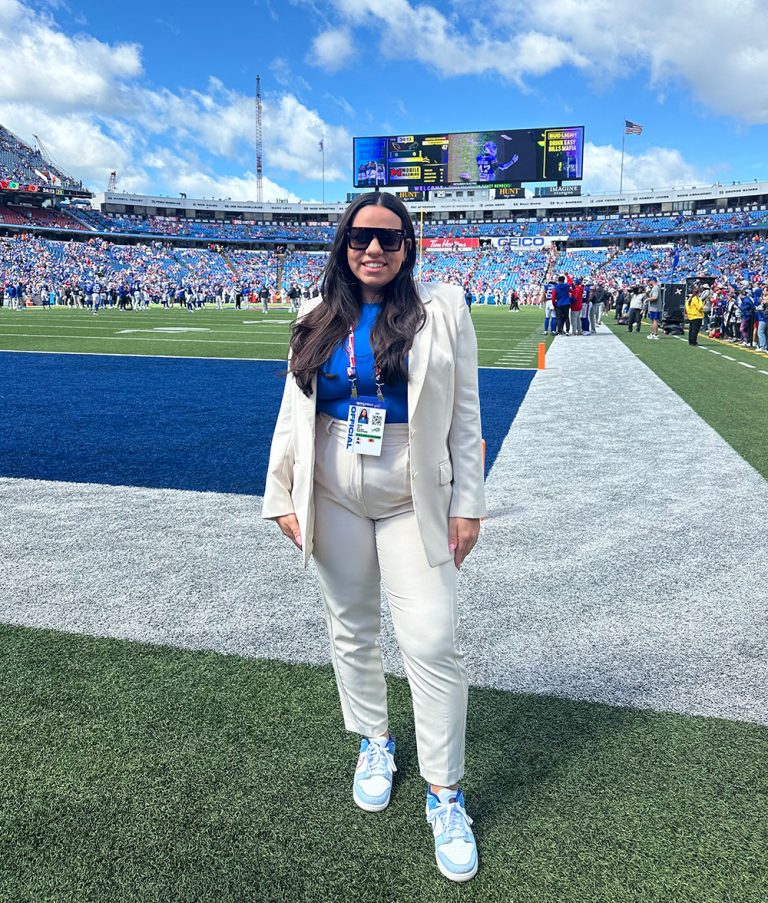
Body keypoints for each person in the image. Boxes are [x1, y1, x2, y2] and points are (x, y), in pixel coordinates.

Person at [263, 191, 485, 883]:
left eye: (389, 239)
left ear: (408, 246)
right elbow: (293, 411)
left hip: (410, 492)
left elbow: (467, 410)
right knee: (351, 627)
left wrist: (469, 501)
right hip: (331, 486)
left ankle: (445, 792)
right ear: (342, 243)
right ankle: (374, 742)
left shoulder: (442, 310)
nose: (374, 249)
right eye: (360, 236)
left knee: (430, 638)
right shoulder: (313, 316)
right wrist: (279, 492)